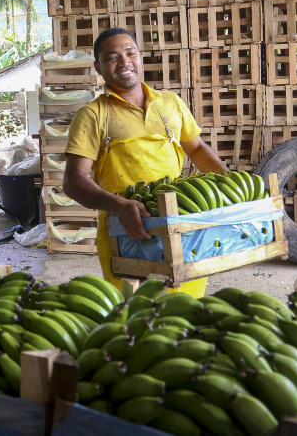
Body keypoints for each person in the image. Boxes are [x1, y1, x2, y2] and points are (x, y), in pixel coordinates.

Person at [62, 27, 228, 291]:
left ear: (140, 57)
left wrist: (229, 184)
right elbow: (73, 180)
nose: (125, 62)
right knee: (137, 317)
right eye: (113, 57)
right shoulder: (93, 115)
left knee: (186, 309)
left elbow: (196, 148)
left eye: (131, 53)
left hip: (180, 223)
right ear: (98, 67)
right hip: (126, 231)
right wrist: (119, 206)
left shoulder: (170, 102)